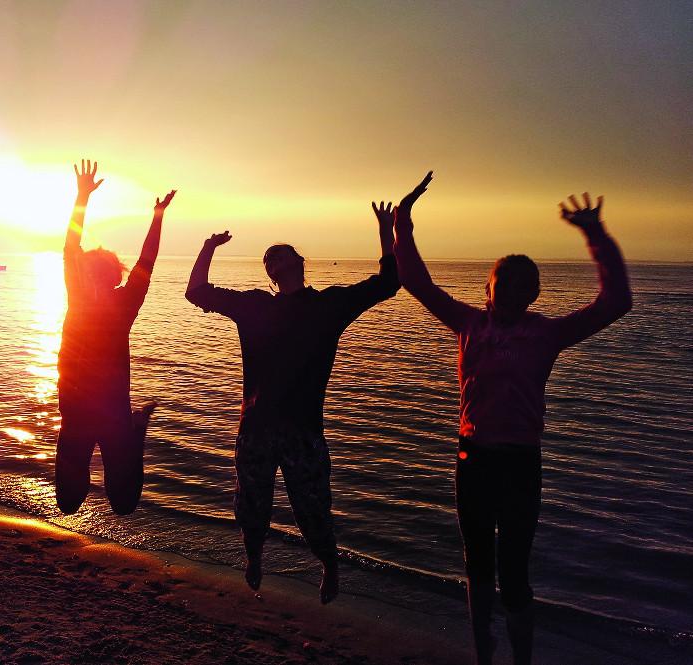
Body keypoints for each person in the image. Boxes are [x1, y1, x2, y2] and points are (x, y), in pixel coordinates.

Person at [392, 172, 632, 665]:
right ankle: (484, 652)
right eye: (504, 284)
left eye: (523, 287)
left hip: (521, 465)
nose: (511, 293)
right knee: (477, 566)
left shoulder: (545, 334)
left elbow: (616, 303)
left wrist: (596, 235)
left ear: (533, 295)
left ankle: (521, 658)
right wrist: (403, 221)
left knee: (515, 570)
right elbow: (415, 280)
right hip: (472, 459)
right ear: (489, 288)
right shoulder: (468, 324)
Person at [184, 206, 400, 604]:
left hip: (303, 431)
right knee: (251, 506)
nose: (274, 260)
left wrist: (387, 230)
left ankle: (329, 565)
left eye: (281, 253)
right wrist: (207, 247)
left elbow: (389, 282)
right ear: (268, 274)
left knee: (313, 510)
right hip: (257, 428)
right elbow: (196, 291)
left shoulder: (329, 306)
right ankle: (254, 558)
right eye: (268, 259)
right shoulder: (254, 306)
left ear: (300, 261)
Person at [55, 159, 175, 516]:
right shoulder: (76, 296)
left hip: (114, 414)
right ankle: (135, 431)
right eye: (89, 270)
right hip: (75, 412)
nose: (93, 275)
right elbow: (70, 246)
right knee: (67, 502)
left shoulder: (125, 303)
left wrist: (157, 216)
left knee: (124, 504)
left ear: (114, 275)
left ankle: (137, 433)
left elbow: (147, 260)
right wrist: (81, 197)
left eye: (102, 271)